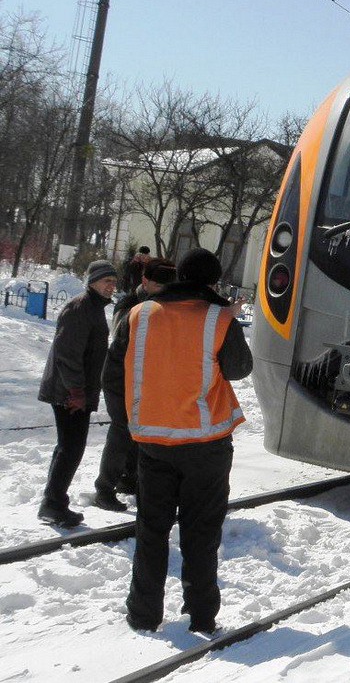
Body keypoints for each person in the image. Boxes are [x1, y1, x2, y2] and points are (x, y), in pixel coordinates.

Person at [102, 247, 252, 634]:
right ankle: (201, 617)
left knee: (151, 530)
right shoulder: (219, 319)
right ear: (213, 282)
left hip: (152, 441)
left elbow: (117, 368)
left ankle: (143, 613)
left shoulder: (140, 314)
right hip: (205, 445)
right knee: (201, 533)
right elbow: (238, 369)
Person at [37, 259, 119, 527]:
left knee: (68, 447)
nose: (112, 286)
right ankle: (53, 503)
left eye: (114, 281)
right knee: (71, 448)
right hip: (69, 393)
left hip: (75, 390)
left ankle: (53, 502)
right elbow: (67, 353)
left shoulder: (92, 308)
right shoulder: (80, 308)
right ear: (93, 281)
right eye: (107, 281)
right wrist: (75, 391)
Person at [93, 257, 177, 512]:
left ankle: (128, 480)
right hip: (120, 378)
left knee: (137, 431)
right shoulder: (131, 305)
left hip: (142, 378)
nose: (164, 291)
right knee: (122, 431)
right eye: (159, 285)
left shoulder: (162, 303)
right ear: (145, 281)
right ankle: (104, 489)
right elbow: (123, 340)